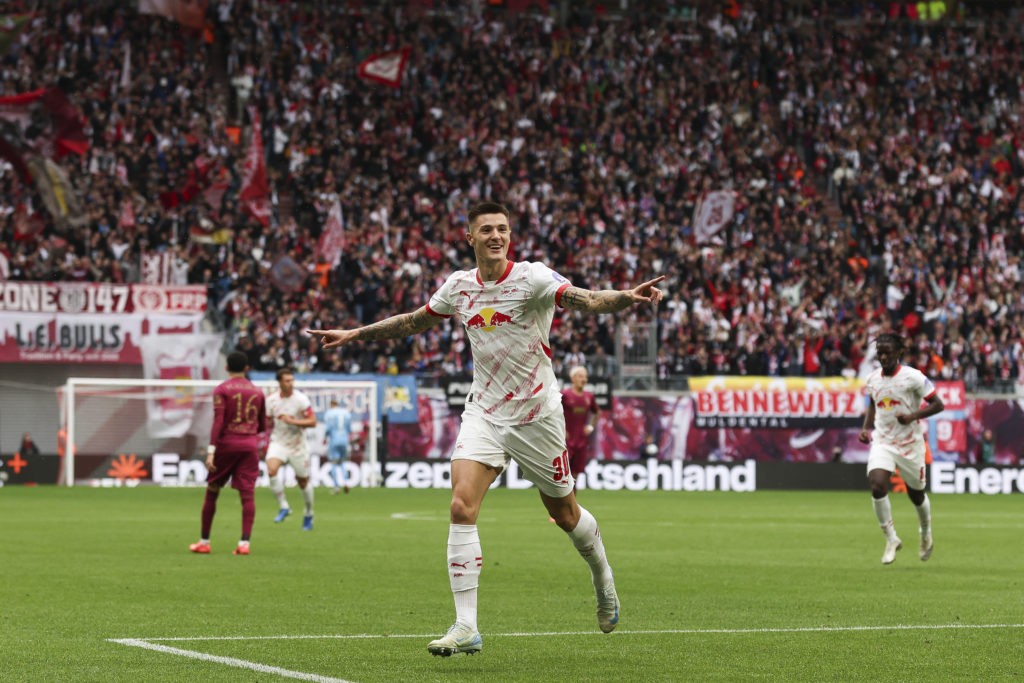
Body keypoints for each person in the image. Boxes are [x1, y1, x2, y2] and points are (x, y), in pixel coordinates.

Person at [308, 201, 665, 656]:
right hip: (484, 412)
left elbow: (589, 300)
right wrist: (355, 334)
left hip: (537, 415)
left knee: (565, 516)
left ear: (510, 235)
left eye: (502, 229)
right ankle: (466, 625)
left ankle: (603, 577)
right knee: (461, 505)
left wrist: (625, 297)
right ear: (470, 237)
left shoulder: (533, 277)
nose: (496, 236)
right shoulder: (458, 287)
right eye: (486, 230)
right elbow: (413, 322)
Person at [858, 332, 945, 565]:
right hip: (883, 442)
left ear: (899, 353)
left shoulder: (914, 377)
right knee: (877, 484)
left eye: (888, 353)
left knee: (916, 494)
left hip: (910, 444)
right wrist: (866, 428)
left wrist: (913, 416)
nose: (884, 357)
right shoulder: (873, 379)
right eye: (880, 353)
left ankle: (925, 532)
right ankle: (891, 539)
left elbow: (938, 404)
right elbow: (873, 405)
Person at [189, 351, 267, 556]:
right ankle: (244, 544)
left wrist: (211, 451)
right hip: (249, 445)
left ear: (226, 368)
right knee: (248, 495)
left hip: (227, 445)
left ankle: (204, 542)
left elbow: (218, 421)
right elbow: (262, 424)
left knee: (213, 491)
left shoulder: (222, 389)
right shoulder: (258, 392)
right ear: (247, 368)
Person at [265, 367, 318, 530]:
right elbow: (267, 421)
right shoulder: (271, 400)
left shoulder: (301, 399)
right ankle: (284, 506)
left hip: (297, 445)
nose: (290, 383)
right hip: (278, 442)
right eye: (287, 380)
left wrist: (293, 421)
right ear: (280, 382)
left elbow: (313, 422)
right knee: (271, 470)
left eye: (292, 380)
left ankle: (309, 513)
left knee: (302, 481)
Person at [562, 366, 599, 480]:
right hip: (565, 440)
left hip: (581, 441)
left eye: (585, 377)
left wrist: (591, 426)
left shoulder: (589, 396)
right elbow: (553, 413)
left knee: (575, 475)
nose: (584, 379)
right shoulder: (564, 394)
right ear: (573, 378)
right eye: (580, 376)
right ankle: (561, 498)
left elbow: (597, 412)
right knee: (563, 474)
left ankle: (572, 498)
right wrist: (561, 430)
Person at [323, 397, 353, 494]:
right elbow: (349, 429)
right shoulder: (346, 413)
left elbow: (328, 428)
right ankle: (346, 482)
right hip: (344, 440)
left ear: (331, 405)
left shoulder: (329, 413)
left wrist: (325, 437)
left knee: (334, 463)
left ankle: (336, 487)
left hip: (334, 440)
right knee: (343, 462)